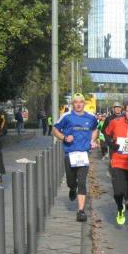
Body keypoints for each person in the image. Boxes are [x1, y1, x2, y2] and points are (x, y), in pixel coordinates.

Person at [52, 93, 98, 222]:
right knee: (71, 181)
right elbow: (54, 130)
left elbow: (95, 129)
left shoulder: (91, 117)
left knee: (82, 182)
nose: (78, 104)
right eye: (76, 102)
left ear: (84, 104)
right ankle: (72, 187)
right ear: (73, 104)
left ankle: (81, 211)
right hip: (70, 154)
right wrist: (64, 137)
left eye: (81, 102)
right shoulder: (66, 116)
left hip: (84, 154)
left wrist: (92, 140)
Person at [104, 100, 128, 232]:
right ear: (124, 111)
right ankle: (120, 208)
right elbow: (106, 134)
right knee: (118, 192)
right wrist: (111, 144)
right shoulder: (115, 122)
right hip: (118, 162)